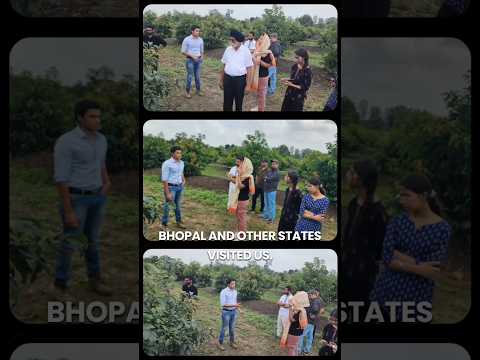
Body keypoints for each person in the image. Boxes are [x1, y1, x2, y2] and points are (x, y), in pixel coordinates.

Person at [370, 174, 451, 322]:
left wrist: (398, 255)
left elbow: (433, 269)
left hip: (416, 299)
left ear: (424, 196)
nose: (402, 200)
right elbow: (386, 256)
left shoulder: (442, 228)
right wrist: (419, 267)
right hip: (385, 294)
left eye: (407, 195)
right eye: (400, 195)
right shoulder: (398, 221)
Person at [53, 100, 112, 298]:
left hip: (97, 197)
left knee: (93, 242)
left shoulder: (102, 139)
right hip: (76, 198)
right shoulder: (67, 142)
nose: (97, 120)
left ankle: (94, 280)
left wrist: (106, 182)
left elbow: (100, 163)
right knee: (70, 243)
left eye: (98, 117)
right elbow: (61, 177)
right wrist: (68, 210)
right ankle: (60, 285)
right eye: (92, 117)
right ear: (80, 117)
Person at [342, 160, 387, 320]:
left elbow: (380, 251)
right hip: (347, 269)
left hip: (363, 277)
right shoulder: (354, 204)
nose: (347, 175)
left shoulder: (377, 212)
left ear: (361, 179)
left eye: (352, 172)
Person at [219, 30, 254, 111]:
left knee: (238, 104)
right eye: (230, 40)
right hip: (227, 79)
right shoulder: (228, 49)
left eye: (233, 40)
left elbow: (249, 69)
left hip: (240, 81)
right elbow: (224, 65)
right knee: (227, 103)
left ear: (239, 41)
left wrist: (248, 85)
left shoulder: (246, 51)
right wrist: (221, 80)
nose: (231, 42)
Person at [161, 146, 186, 229]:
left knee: (178, 205)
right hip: (171, 187)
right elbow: (164, 179)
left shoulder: (182, 163)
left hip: (179, 187)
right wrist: (167, 193)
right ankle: (164, 224)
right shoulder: (167, 163)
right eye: (177, 153)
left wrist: (183, 180)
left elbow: (181, 172)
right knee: (167, 206)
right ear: (172, 153)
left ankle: (178, 222)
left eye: (180, 153)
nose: (180, 154)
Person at [280, 291, 309, 356]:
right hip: (299, 331)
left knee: (291, 347)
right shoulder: (303, 309)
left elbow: (292, 319)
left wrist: (290, 309)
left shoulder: (300, 311)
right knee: (295, 347)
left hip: (294, 332)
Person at [298, 290, 326, 355]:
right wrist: (316, 315)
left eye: (310, 295)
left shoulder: (315, 301)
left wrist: (312, 313)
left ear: (314, 295)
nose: (309, 296)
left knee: (301, 335)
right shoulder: (319, 300)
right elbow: (322, 310)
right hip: (313, 322)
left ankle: (299, 349)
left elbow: (315, 309)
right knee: (310, 337)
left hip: (309, 321)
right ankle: (307, 350)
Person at [181, 25, 204, 98]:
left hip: (198, 60)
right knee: (190, 76)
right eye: (197, 31)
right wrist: (192, 56)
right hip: (190, 60)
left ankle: (198, 90)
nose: (198, 32)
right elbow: (183, 51)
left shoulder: (200, 39)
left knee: (197, 76)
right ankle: (187, 92)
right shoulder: (187, 39)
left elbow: (202, 50)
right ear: (192, 31)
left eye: (199, 31)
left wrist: (202, 57)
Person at [218, 279, 241, 350]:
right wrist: (235, 305)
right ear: (228, 284)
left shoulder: (235, 291)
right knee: (224, 328)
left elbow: (235, 301)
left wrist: (238, 308)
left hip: (233, 312)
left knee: (232, 328)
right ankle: (220, 343)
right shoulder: (224, 292)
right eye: (232, 284)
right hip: (226, 312)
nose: (234, 285)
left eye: (234, 284)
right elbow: (223, 304)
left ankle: (232, 342)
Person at [234, 157, 255, 232]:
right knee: (238, 217)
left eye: (241, 164)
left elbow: (240, 186)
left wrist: (238, 175)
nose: (239, 166)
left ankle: (242, 235)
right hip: (238, 199)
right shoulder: (242, 176)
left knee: (242, 218)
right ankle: (238, 232)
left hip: (243, 200)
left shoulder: (248, 177)